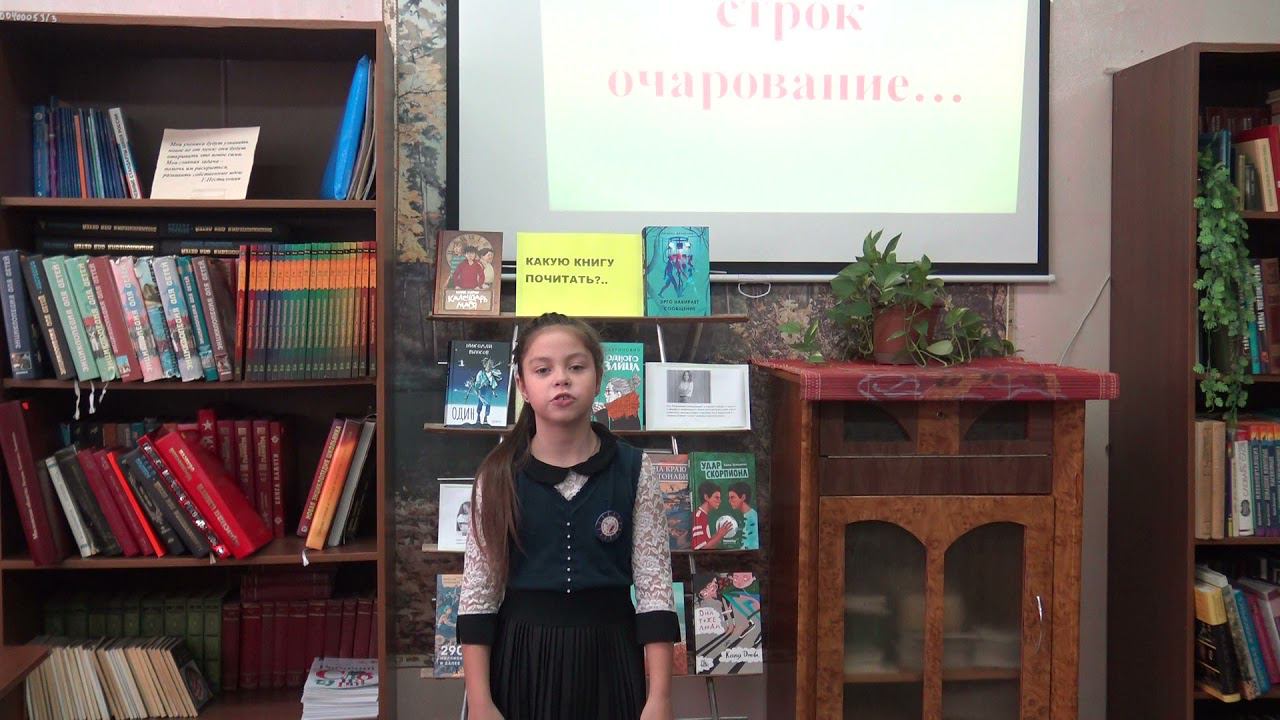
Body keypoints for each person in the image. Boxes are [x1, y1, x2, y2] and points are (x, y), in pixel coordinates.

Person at [458, 312, 679, 720]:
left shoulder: (635, 469)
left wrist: (660, 698)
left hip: (611, 659)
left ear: (598, 378)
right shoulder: (497, 476)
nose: (561, 379)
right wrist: (481, 703)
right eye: (543, 370)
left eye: (576, 367)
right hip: (523, 663)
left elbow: (655, 590)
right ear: (522, 385)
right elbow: (477, 597)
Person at [691, 482, 731, 550]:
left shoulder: (703, 515)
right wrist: (719, 535)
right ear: (706, 497)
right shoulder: (698, 517)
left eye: (720, 498)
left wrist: (718, 535)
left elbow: (706, 542)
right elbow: (701, 548)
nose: (720, 501)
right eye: (716, 497)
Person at [727, 482, 758, 550]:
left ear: (743, 497)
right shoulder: (747, 515)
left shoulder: (752, 518)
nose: (729, 501)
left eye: (732, 497)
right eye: (729, 498)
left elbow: (752, 545)